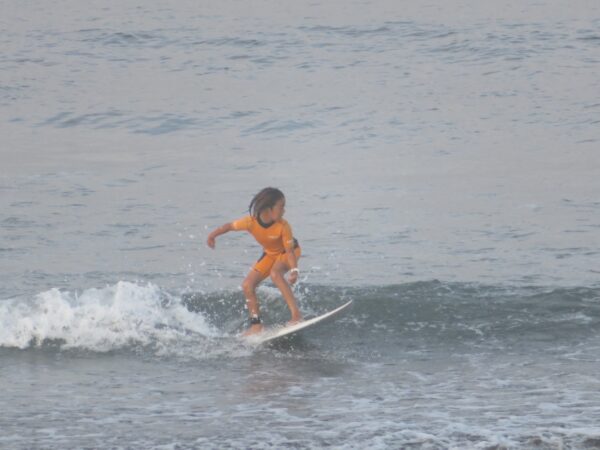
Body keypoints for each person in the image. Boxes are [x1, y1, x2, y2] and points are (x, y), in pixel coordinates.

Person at [206, 187, 302, 335]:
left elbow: (289, 252)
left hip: (289, 251)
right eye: (281, 206)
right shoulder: (251, 222)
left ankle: (296, 315)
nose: (284, 210)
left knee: (275, 274)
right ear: (269, 209)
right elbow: (229, 226)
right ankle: (256, 325)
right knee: (247, 285)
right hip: (270, 255)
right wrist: (213, 235)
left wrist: (294, 270)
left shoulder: (283, 225)